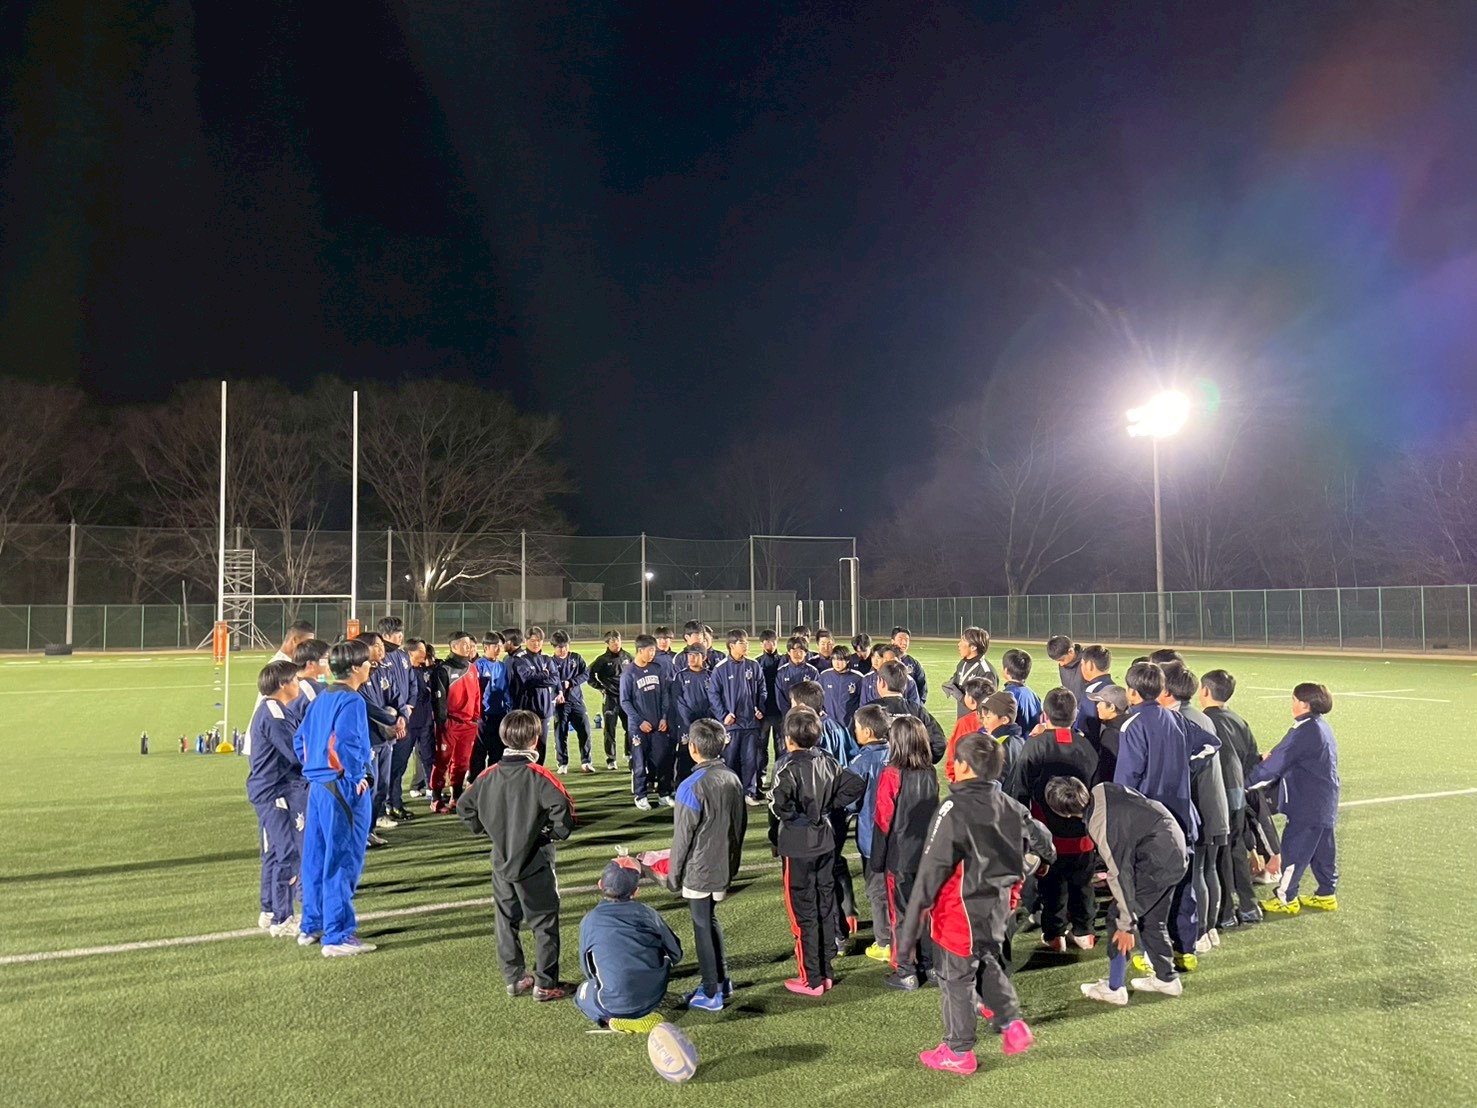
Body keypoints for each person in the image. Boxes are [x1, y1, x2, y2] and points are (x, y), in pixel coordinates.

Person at [898, 734, 1040, 1074]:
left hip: (959, 915)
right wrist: (1019, 888)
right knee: (988, 963)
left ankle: (958, 1051)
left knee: (955, 980)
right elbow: (1033, 849)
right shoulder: (1011, 806)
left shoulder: (953, 809)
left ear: (962, 766)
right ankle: (1009, 1020)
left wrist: (908, 935)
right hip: (997, 910)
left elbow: (930, 873)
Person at [458, 709, 575, 1001]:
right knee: (544, 923)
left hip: (501, 860)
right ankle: (545, 984)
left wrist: (484, 828)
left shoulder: (488, 775)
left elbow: (464, 806)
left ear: (503, 738)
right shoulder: (539, 775)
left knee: (505, 921)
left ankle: (514, 978)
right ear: (535, 740)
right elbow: (564, 809)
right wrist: (552, 833)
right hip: (535, 861)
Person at [1047, 775, 1188, 1005]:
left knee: (1117, 917)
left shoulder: (1100, 827)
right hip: (1174, 847)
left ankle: (1115, 988)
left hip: (1157, 861)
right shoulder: (1104, 788)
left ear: (1063, 813)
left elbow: (1121, 874)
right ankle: (1166, 978)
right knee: (1152, 919)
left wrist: (1126, 925)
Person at [1116, 661, 1217, 969]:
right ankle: (1186, 950)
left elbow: (1126, 782)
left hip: (1152, 823)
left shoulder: (1132, 725)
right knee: (1185, 886)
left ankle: (1152, 957)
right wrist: (1184, 766)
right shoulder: (1176, 718)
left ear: (1132, 693)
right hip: (1184, 816)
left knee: (1151, 892)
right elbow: (1211, 744)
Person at [770, 706, 865, 996]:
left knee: (803, 913)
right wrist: (826, 807)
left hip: (798, 846)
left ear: (788, 739)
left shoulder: (787, 768)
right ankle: (825, 973)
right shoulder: (828, 761)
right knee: (824, 906)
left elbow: (778, 804)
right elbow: (855, 784)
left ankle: (811, 979)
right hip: (825, 840)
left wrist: (799, 817)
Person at [293, 638, 376, 956]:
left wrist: (315, 766)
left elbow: (299, 740)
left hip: (318, 787)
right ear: (355, 668)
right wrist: (356, 777)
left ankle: (312, 924)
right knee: (342, 858)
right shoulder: (352, 701)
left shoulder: (321, 698)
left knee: (316, 856)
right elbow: (347, 743)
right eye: (367, 662)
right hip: (340, 787)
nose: (370, 667)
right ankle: (338, 935)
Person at [668, 718, 747, 1012]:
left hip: (699, 868)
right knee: (709, 919)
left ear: (693, 748)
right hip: (723, 863)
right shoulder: (732, 778)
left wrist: (673, 876)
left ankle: (711, 991)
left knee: (701, 925)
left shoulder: (690, 786)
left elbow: (682, 838)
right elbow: (740, 826)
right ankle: (722, 981)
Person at [1015, 688, 1098, 952]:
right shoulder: (1086, 746)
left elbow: (1020, 793)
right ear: (1075, 715)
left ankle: (1054, 934)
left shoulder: (1035, 745)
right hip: (1083, 834)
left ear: (1044, 714)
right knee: (1082, 883)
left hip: (1048, 835)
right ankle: (1084, 931)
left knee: (1052, 887)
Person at [1247, 683, 1340, 916]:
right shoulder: (1321, 726)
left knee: (1294, 850)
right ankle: (1326, 894)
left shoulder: (1303, 731)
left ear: (1304, 704)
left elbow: (1274, 765)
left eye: (1294, 700)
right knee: (1323, 851)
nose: (1292, 704)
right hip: (1324, 801)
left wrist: (1245, 784)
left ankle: (1286, 899)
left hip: (1306, 804)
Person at [873, 716, 943, 991]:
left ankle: (906, 971)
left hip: (900, 857)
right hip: (927, 856)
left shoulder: (892, 774)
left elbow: (883, 820)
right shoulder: (930, 773)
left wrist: (877, 860)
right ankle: (931, 965)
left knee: (901, 914)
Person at [1163, 661, 1228, 953]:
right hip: (1216, 804)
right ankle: (1210, 929)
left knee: (1198, 871)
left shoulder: (1179, 721)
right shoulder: (1201, 717)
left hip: (1199, 806)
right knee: (1209, 869)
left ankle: (1200, 931)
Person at [789, 680, 859, 952]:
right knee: (836, 862)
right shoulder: (838, 727)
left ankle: (835, 932)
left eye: (793, 704)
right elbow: (852, 759)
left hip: (819, 813)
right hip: (838, 810)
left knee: (821, 874)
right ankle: (849, 912)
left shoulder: (810, 735)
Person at [574, 859, 682, 1032]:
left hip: (615, 1002)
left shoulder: (589, 920)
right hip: (654, 995)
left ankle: (610, 1020)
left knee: (582, 992)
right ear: (636, 891)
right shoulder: (648, 914)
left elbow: (587, 968)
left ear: (600, 884)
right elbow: (676, 953)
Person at [247, 660, 307, 937]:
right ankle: (282, 919)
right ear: (283, 684)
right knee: (288, 852)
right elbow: (295, 753)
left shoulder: (274, 709)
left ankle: (270, 910)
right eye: (294, 680)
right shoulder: (274, 713)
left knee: (274, 853)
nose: (298, 684)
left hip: (269, 790)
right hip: (277, 791)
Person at [1199, 669, 1263, 926]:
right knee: (1236, 850)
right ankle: (1249, 907)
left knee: (1219, 855)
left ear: (1204, 691)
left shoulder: (1203, 721)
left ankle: (1225, 913)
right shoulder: (1238, 720)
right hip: (1237, 793)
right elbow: (1253, 758)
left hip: (1216, 795)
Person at [850, 704, 893, 961]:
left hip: (872, 838)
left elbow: (850, 801)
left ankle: (885, 943)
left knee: (877, 890)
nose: (854, 732)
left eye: (857, 728)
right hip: (899, 837)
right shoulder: (897, 753)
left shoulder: (862, 761)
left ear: (867, 732)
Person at [708, 629, 768, 806]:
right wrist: (723, 715)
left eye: (747, 642)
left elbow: (762, 689)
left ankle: (749, 792)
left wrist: (760, 708)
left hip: (751, 723)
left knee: (750, 760)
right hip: (731, 725)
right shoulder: (720, 669)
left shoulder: (753, 665)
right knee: (730, 760)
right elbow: (713, 695)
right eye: (742, 643)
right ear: (731, 645)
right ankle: (730, 793)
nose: (746, 646)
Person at [357, 632, 404, 843]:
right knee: (371, 787)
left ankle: (371, 829)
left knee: (382, 787)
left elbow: (397, 698)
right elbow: (368, 706)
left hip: (387, 739)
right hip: (370, 739)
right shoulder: (359, 674)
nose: (382, 649)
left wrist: (402, 717)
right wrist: (393, 721)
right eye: (376, 645)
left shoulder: (385, 670)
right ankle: (361, 832)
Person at [245, 620, 316, 757]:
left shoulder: (285, 664)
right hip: (268, 741)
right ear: (294, 640)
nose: (308, 648)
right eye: (306, 643)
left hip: (268, 736)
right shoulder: (281, 667)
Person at [430, 631, 482, 814]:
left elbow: (477, 695)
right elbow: (439, 699)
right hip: (450, 724)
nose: (469, 648)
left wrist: (475, 717)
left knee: (462, 762)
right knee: (442, 761)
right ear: (453, 646)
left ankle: (456, 796)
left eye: (470, 644)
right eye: (464, 644)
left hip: (468, 725)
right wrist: (442, 722)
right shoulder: (443, 670)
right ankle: (436, 798)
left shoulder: (472, 668)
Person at [620, 634, 672, 811]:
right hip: (639, 728)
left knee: (663, 760)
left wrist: (664, 717)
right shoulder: (629, 673)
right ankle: (641, 796)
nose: (653, 654)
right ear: (640, 650)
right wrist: (640, 721)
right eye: (650, 650)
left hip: (658, 725)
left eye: (654, 651)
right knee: (640, 763)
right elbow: (625, 701)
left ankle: (664, 794)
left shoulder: (657, 668)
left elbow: (665, 694)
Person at [377, 616, 416, 820]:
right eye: (397, 634)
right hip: (386, 723)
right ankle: (382, 808)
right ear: (385, 635)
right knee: (384, 768)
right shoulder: (379, 659)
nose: (401, 637)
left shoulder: (403, 656)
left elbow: (413, 683)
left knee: (400, 764)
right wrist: (392, 717)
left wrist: (408, 707)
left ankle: (396, 803)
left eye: (401, 633)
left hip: (404, 718)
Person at [871, 660, 947, 762]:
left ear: (882, 683)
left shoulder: (869, 710)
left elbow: (854, 742)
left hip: (879, 769)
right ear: (905, 685)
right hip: (913, 769)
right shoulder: (918, 710)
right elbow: (939, 742)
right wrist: (920, 762)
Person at [509, 627, 560, 765]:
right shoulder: (520, 659)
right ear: (526, 641)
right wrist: (544, 674)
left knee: (542, 745)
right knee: (526, 745)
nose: (536, 643)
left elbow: (555, 679)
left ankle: (539, 771)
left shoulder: (547, 659)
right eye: (532, 640)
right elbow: (526, 680)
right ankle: (525, 770)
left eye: (539, 640)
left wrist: (538, 678)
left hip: (544, 710)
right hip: (527, 710)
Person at [549, 630, 593, 775]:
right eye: (559, 647)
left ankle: (586, 761)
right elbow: (551, 680)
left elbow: (586, 674)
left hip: (577, 700)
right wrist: (559, 690)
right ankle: (562, 763)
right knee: (560, 733)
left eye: (565, 646)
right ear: (554, 647)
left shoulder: (576, 658)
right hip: (560, 703)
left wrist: (571, 682)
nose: (563, 649)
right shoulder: (550, 662)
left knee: (585, 730)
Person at [670, 644, 715, 786]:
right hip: (686, 725)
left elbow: (714, 699)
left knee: (706, 755)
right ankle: (681, 786)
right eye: (689, 655)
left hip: (706, 724)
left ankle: (705, 785)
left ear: (704, 657)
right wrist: (688, 721)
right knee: (685, 755)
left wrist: (707, 720)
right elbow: (678, 701)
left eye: (695, 655)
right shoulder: (680, 676)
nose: (691, 658)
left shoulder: (711, 675)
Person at [472, 632, 512, 781]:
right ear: (485, 647)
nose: (499, 649)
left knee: (497, 750)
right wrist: (477, 713)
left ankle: (493, 781)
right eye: (496, 646)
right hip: (483, 716)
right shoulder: (478, 666)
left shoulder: (502, 666)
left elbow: (506, 690)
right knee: (480, 751)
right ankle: (476, 782)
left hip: (499, 714)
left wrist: (509, 709)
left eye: (501, 646)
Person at [590, 631, 633, 771]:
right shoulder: (602, 660)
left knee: (630, 727)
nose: (616, 643)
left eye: (618, 640)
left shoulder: (628, 657)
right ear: (607, 643)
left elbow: (635, 673)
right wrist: (600, 687)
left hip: (626, 698)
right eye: (613, 641)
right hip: (610, 699)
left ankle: (629, 754)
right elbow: (589, 674)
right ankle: (611, 759)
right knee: (610, 729)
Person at [943, 676, 996, 783]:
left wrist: (952, 776)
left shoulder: (966, 722)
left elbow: (954, 751)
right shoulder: (998, 718)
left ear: (971, 700)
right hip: (994, 779)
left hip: (967, 779)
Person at [405, 639, 437, 802]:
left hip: (425, 720)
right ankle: (391, 799)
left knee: (428, 755)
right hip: (409, 721)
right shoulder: (404, 672)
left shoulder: (426, 670)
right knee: (401, 759)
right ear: (411, 653)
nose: (424, 654)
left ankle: (430, 787)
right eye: (421, 651)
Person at [942, 626, 996, 719]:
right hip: (962, 719)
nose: (959, 644)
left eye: (963, 640)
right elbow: (957, 680)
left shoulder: (986, 672)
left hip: (977, 723)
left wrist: (959, 695)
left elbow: (985, 704)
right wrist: (950, 684)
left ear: (973, 647)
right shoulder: (962, 663)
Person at [980, 691, 1027, 796]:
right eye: (984, 718)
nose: (984, 722)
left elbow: (992, 784)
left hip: (1001, 802)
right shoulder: (1020, 741)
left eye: (988, 717)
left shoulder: (998, 745)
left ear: (1004, 720)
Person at [756, 629, 785, 782]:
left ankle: (779, 779)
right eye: (766, 642)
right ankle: (761, 781)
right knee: (761, 749)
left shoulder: (784, 661)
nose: (770, 645)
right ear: (762, 644)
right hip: (763, 713)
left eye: (773, 641)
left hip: (780, 712)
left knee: (781, 748)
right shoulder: (757, 663)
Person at [1087, 685, 1128, 784]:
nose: (1097, 706)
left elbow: (1105, 770)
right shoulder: (1132, 724)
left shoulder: (1110, 734)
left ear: (1112, 708)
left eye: (1100, 703)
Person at [1074, 645, 1114, 745]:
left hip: (1095, 748)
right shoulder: (1114, 687)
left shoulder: (1091, 692)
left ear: (1090, 665)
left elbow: (1085, 728)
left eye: (1082, 664)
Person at [774, 635, 820, 717]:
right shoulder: (782, 672)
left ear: (805, 653)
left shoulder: (813, 672)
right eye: (794, 650)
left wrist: (809, 713)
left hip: (808, 716)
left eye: (801, 651)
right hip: (788, 716)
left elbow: (816, 696)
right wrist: (788, 714)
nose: (797, 654)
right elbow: (779, 697)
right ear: (788, 652)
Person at [818, 648, 862, 730]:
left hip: (849, 724)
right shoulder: (825, 676)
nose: (837, 663)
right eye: (834, 659)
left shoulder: (857, 678)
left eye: (840, 660)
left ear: (847, 660)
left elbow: (862, 700)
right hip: (829, 724)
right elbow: (818, 697)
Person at [1001, 649, 1043, 734]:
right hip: (1031, 741)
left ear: (1006, 670)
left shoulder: (1006, 696)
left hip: (1015, 741)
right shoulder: (1033, 695)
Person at [890, 626, 929, 703]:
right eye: (900, 639)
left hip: (909, 707)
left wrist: (918, 705)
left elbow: (922, 687)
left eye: (906, 640)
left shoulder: (914, 664)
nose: (904, 643)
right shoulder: (884, 660)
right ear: (892, 641)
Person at [1046, 636, 1086, 703]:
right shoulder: (1063, 664)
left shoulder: (1088, 661)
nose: (1061, 664)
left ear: (1070, 651)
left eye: (1062, 660)